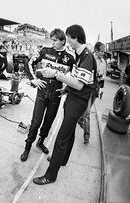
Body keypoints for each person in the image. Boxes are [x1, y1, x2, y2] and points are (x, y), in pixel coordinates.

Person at [33, 24, 97, 185]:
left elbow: (80, 85)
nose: (67, 40)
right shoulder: (80, 54)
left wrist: (56, 74)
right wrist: (66, 88)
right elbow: (76, 81)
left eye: (68, 37)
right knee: (69, 135)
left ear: (75, 38)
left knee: (61, 138)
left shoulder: (87, 56)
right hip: (73, 99)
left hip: (77, 102)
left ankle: (50, 175)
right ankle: (61, 160)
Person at [20, 28, 75, 162]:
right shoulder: (44, 50)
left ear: (63, 41)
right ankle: (27, 146)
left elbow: (74, 77)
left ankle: (40, 141)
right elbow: (28, 62)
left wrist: (66, 88)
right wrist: (33, 80)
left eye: (55, 40)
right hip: (43, 90)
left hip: (56, 93)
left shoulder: (70, 58)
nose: (52, 43)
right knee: (36, 121)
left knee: (48, 122)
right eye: (51, 40)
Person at [78, 42, 106, 144]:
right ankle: (87, 136)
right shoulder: (89, 59)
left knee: (85, 112)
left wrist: (100, 79)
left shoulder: (103, 62)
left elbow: (103, 76)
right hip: (88, 90)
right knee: (87, 114)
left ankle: (80, 120)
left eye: (104, 51)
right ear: (96, 50)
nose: (103, 53)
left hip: (96, 90)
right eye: (101, 51)